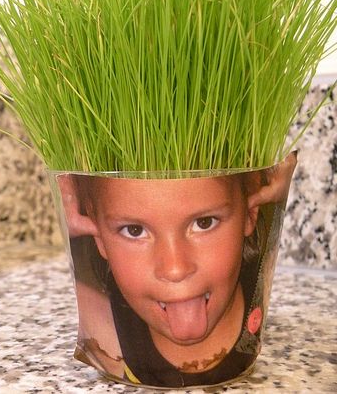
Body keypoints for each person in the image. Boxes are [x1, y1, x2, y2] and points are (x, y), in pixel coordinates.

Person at [57, 152, 296, 387]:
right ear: (97, 233)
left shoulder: (256, 282)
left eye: (204, 223)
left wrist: (274, 177)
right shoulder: (104, 325)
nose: (175, 269)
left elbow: (282, 167)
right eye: (134, 230)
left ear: (250, 212)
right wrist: (67, 200)